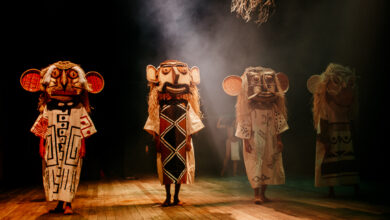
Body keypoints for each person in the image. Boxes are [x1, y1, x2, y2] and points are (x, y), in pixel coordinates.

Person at [20, 61, 104, 214]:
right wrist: (41, 144)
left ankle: (68, 204)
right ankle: (59, 203)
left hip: (72, 145)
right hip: (52, 146)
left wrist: (82, 146)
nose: (64, 83)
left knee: (70, 172)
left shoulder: (78, 108)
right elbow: (42, 128)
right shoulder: (49, 107)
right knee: (54, 172)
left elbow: (83, 128)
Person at [222, 66, 289, 204]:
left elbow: (278, 125)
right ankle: (257, 194)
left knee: (268, 165)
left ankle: (263, 194)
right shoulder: (250, 110)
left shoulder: (273, 108)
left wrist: (279, 140)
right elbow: (245, 125)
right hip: (254, 141)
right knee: (255, 165)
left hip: (270, 141)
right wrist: (246, 142)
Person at [144, 60, 204, 206]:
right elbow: (154, 124)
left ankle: (176, 197)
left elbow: (190, 124)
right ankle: (167, 196)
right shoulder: (160, 106)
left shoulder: (185, 105)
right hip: (166, 142)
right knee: (166, 169)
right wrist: (157, 140)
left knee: (179, 169)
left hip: (181, 141)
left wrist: (188, 140)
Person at [307, 63, 359, 197]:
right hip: (332, 136)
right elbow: (323, 123)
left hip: (344, 136)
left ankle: (354, 186)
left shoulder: (347, 108)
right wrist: (325, 140)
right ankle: (331, 189)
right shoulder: (326, 106)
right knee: (330, 162)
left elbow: (351, 120)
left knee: (347, 161)